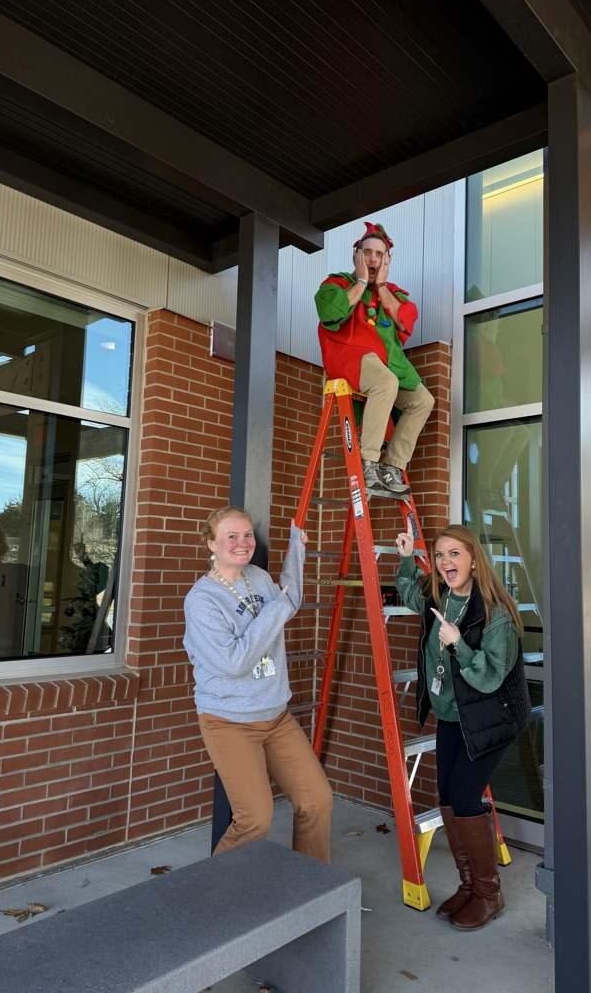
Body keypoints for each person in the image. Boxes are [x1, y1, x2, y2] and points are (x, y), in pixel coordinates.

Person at [395, 520, 530, 930]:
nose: (445, 561)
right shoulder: (440, 595)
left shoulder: (497, 615)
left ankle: (490, 894)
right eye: (439, 555)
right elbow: (411, 596)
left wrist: (458, 643)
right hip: (454, 714)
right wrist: (406, 561)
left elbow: (487, 676)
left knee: (467, 796)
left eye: (455, 553)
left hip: (491, 717)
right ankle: (468, 886)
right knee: (448, 796)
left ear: (474, 560)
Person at [183, 506, 333, 862]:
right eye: (231, 536)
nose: (242, 543)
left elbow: (289, 599)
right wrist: (275, 609)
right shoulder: (201, 600)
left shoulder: (260, 578)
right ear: (211, 545)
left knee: (316, 800)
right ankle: (216, 900)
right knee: (254, 819)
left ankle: (310, 887)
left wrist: (297, 546)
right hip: (229, 720)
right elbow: (234, 662)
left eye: (247, 535)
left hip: (276, 715)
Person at [315, 221, 434, 495]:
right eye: (367, 252)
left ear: (387, 260)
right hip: (349, 357)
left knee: (422, 400)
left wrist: (380, 287)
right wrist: (360, 281)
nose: (373, 258)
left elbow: (404, 323)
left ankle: (392, 466)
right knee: (386, 382)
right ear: (357, 255)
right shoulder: (336, 283)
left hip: (388, 364)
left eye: (379, 254)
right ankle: (368, 461)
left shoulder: (394, 293)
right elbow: (331, 312)